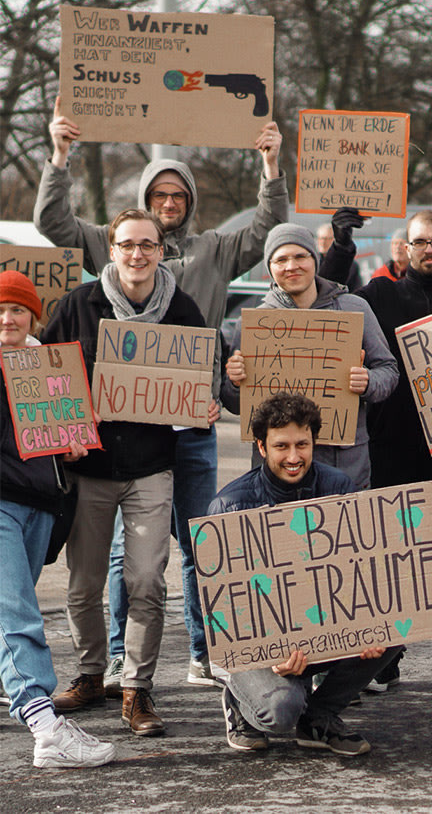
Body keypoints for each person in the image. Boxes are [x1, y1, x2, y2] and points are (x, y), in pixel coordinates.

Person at [34, 97, 289, 691]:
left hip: (190, 427)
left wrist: (272, 168)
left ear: (189, 205)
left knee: (201, 540)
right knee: (126, 558)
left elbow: (266, 231)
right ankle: (120, 661)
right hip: (121, 439)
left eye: (178, 197)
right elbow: (55, 224)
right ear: (137, 216)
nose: (168, 206)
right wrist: (60, 155)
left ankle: (205, 649)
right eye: (158, 197)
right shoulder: (111, 246)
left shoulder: (214, 252)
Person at [41, 209, 216, 736]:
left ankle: (138, 689)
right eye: (126, 245)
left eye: (148, 245)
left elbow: (203, 377)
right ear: (110, 250)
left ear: (162, 251)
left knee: (145, 581)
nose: (137, 254)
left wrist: (203, 403)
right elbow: (45, 374)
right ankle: (93, 673)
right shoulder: (78, 305)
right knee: (83, 585)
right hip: (89, 470)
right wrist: (61, 426)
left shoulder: (182, 311)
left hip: (151, 470)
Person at [322, 209, 432, 688]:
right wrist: (342, 244)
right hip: (389, 444)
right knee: (389, 551)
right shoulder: (381, 295)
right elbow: (326, 300)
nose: (429, 249)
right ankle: (386, 653)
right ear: (406, 248)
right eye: (420, 242)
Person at [208, 392, 402, 755]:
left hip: (324, 631)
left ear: (315, 442)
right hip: (261, 648)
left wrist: (367, 624)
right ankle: (240, 703)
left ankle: (319, 718)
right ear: (262, 448)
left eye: (303, 444)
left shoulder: (339, 488)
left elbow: (358, 572)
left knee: (396, 627)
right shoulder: (229, 507)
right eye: (282, 446)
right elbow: (225, 614)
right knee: (280, 711)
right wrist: (269, 654)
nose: (294, 457)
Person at [0, 271, 116, 769]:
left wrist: (69, 450)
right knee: (17, 613)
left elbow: (56, 437)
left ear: (33, 316)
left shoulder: (49, 366)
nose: (8, 317)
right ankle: (46, 727)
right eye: (0, 309)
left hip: (41, 503)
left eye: (18, 309)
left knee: (8, 610)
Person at [220, 222, 399, 489]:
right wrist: (234, 382)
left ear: (314, 260)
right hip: (278, 474)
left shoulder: (354, 309)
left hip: (344, 466)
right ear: (270, 268)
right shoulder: (255, 323)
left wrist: (369, 382)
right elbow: (235, 404)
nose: (291, 266)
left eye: (300, 256)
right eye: (281, 259)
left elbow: (389, 371)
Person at [317, 221, 363, 290]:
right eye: (321, 238)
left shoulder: (350, 265)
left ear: (336, 240)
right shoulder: (312, 261)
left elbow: (356, 289)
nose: (323, 242)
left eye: (327, 239)